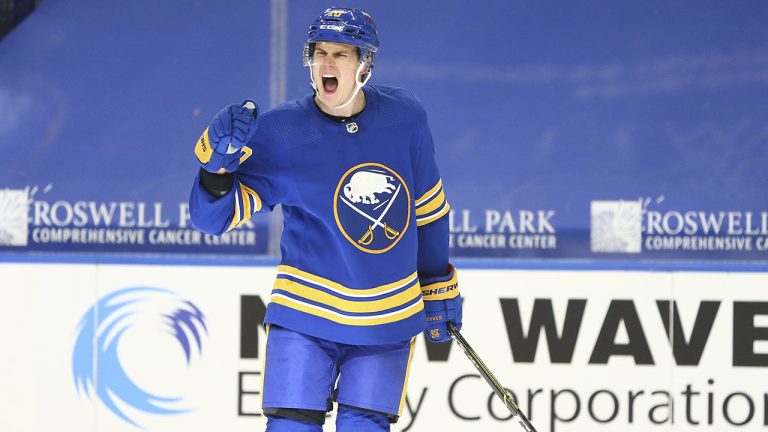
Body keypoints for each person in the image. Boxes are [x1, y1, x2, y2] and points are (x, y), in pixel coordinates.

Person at [189, 7, 462, 432]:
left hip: (385, 321)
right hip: (305, 317)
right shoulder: (280, 132)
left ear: (365, 64)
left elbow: (428, 211)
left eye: (341, 54)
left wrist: (439, 286)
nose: (327, 64)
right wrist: (216, 169)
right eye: (320, 53)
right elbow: (211, 220)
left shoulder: (405, 117)